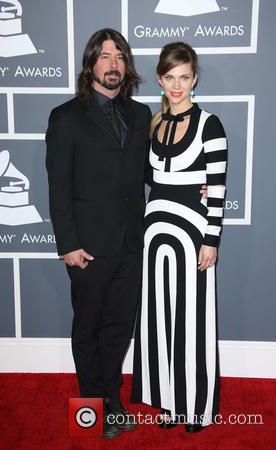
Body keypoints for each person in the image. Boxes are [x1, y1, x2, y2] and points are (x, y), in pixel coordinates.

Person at [45, 28, 152, 439]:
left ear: (127, 65)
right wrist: (67, 244)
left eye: (119, 56)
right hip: (87, 247)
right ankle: (89, 409)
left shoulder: (140, 115)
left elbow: (146, 174)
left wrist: (189, 182)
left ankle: (112, 401)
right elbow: (59, 187)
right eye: (104, 56)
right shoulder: (66, 116)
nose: (113, 64)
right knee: (88, 328)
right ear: (90, 64)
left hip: (130, 243)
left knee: (118, 328)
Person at [131, 42, 227, 433]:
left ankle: (197, 406)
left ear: (195, 78)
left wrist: (212, 238)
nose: (177, 85)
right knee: (158, 321)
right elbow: (143, 182)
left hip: (193, 239)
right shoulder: (150, 125)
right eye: (170, 77)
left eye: (184, 77)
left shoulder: (211, 124)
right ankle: (168, 402)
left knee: (194, 322)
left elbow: (217, 188)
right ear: (159, 78)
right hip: (154, 237)